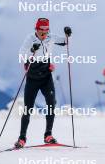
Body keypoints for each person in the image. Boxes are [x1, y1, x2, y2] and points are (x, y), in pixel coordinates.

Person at [15, 18, 72, 148]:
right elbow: (21, 55)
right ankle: (22, 138)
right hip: (32, 76)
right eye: (42, 30)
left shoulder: (51, 37)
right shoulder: (30, 39)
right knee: (28, 107)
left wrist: (68, 35)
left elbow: (65, 42)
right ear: (36, 29)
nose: (44, 33)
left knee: (51, 104)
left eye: (46, 30)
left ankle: (48, 135)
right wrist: (31, 51)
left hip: (46, 75)